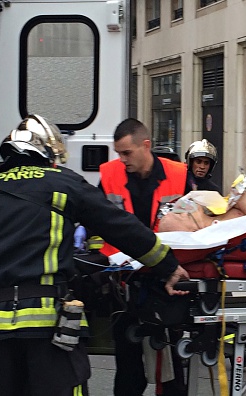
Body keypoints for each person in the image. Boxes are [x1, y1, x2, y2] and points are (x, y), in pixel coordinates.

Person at [0, 114, 189, 396]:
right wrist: (168, 265)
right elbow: (121, 227)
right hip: (49, 330)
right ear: (47, 155)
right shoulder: (64, 184)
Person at [98, 118, 189, 396]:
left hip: (165, 281)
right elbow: (97, 220)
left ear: (145, 145)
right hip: (125, 283)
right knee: (128, 369)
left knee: (170, 368)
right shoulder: (111, 174)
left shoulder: (179, 174)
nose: (122, 159)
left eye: (127, 153)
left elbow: (201, 220)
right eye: (118, 153)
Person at [158, 191, 246, 232]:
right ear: (195, 231)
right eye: (180, 216)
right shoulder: (218, 229)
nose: (183, 211)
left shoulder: (212, 214)